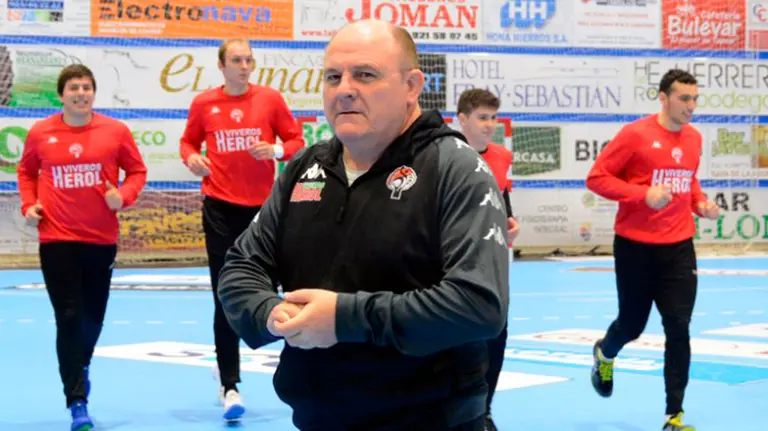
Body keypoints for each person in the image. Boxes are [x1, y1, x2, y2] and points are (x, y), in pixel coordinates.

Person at [216, 20, 509, 431]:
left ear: (412, 85)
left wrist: (344, 318)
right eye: (333, 76)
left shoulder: (455, 168)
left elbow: (479, 305)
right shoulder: (306, 168)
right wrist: (270, 312)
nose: (345, 89)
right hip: (319, 419)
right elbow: (240, 268)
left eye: (365, 75)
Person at [586, 68, 720, 431]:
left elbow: (688, 180)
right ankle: (605, 352)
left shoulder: (693, 139)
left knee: (679, 327)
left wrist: (700, 203)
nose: (691, 106)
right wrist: (641, 194)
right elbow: (596, 178)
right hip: (635, 248)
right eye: (684, 98)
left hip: (678, 248)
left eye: (695, 98)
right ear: (663, 98)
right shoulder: (635, 135)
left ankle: (673, 416)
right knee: (631, 325)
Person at [178, 38, 305, 421]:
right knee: (225, 295)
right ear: (222, 66)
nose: (245, 65)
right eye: (237, 60)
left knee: (283, 290)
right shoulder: (204, 103)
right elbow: (187, 143)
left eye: (249, 59)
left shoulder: (269, 99)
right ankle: (230, 385)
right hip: (219, 208)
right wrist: (193, 158)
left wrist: (277, 152)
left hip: (265, 211)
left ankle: (299, 373)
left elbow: (296, 140)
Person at [16, 64, 147, 431]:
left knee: (93, 318)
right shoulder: (41, 133)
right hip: (56, 238)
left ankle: (80, 364)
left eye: (87, 87)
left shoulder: (115, 131)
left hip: (100, 239)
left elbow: (137, 172)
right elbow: (25, 173)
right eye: (73, 87)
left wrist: (123, 196)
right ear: (62, 94)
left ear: (93, 92)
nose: (80, 93)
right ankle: (77, 401)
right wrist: (29, 205)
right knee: (69, 316)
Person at [456, 88, 519, 431]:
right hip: (456, 261)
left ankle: (485, 411)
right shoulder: (444, 154)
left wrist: (512, 222)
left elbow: (503, 201)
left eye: (494, 117)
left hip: (494, 258)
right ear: (462, 119)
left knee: (497, 333)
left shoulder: (501, 156)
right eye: (482, 117)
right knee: (462, 337)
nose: (490, 125)